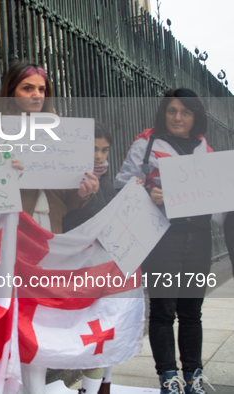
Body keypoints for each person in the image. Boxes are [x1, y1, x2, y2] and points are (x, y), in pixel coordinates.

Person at [114, 88, 213, 394]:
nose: (178, 118)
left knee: (191, 313)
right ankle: (169, 380)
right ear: (163, 113)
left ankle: (193, 379)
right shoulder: (146, 144)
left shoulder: (204, 147)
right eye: (172, 111)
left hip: (199, 237)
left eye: (185, 112)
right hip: (162, 239)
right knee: (162, 311)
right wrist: (148, 195)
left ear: (195, 116)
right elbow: (122, 187)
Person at [0, 62, 99, 235]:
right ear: (10, 93)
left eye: (42, 90)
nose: (37, 95)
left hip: (51, 229)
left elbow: (66, 199)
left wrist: (83, 193)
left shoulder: (61, 133)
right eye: (27, 88)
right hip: (5, 227)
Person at [62, 122, 117, 233]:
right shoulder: (67, 176)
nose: (99, 156)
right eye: (93, 149)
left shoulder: (104, 177)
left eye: (104, 150)